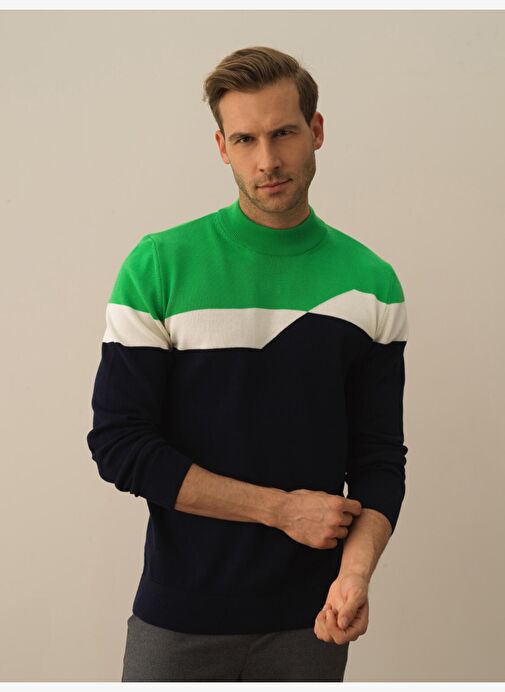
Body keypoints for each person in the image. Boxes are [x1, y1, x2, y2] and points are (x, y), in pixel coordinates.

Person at [86, 45, 409, 683]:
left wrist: (354, 575)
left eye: (284, 133)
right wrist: (279, 509)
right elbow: (119, 445)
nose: (268, 160)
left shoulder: (372, 283)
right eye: (245, 139)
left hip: (313, 623)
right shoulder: (159, 265)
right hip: (178, 619)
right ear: (222, 146)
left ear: (316, 131)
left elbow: (378, 460)